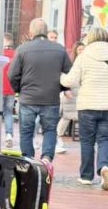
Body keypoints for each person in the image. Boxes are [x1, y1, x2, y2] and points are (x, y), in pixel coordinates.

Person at [8, 18, 72, 167]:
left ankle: (28, 160)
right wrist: (60, 87)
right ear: (46, 31)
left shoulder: (22, 49)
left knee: (26, 131)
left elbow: (12, 75)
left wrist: (19, 89)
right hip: (51, 98)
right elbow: (69, 73)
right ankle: (46, 159)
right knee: (50, 130)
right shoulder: (59, 49)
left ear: (31, 32)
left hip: (28, 98)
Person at [60, 27, 108, 189]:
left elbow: (70, 82)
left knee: (87, 141)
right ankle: (104, 167)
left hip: (87, 105)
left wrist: (60, 75)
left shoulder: (84, 56)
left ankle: (86, 176)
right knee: (105, 139)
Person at [56, 41, 84, 154]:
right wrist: (66, 90)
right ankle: (58, 137)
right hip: (71, 93)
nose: (82, 51)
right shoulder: (72, 63)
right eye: (80, 49)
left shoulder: (86, 61)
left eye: (83, 49)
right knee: (66, 117)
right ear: (75, 51)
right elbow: (66, 78)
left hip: (81, 94)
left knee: (81, 117)